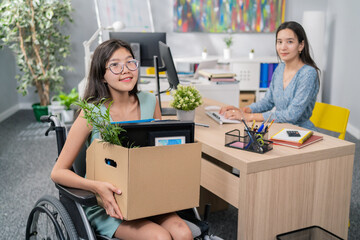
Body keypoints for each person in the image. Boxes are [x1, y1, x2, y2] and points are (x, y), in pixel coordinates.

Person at [51, 39, 193, 240]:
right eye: (115, 65)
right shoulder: (91, 113)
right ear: (102, 76)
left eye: (130, 62)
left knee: (183, 232)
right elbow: (58, 172)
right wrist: (96, 186)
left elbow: (159, 155)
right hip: (107, 204)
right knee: (159, 237)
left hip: (147, 196)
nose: (125, 70)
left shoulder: (150, 101)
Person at [220, 21, 320, 131]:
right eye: (279, 42)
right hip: (280, 129)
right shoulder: (280, 69)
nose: (283, 47)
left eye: (290, 42)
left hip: (301, 133)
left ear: (301, 45)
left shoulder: (308, 74)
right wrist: (244, 110)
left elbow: (291, 115)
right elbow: (268, 101)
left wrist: (250, 117)